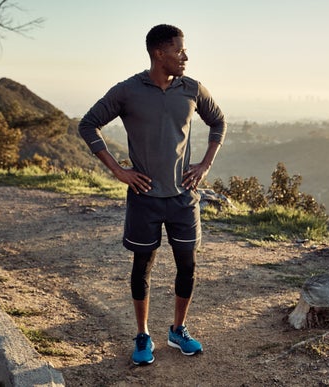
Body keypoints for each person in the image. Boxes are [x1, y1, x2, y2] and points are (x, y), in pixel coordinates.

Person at [78, 24, 226, 366]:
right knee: (142, 265)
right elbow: (88, 124)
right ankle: (143, 335)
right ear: (159, 54)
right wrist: (118, 171)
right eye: (179, 50)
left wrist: (205, 164)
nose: (185, 56)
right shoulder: (128, 90)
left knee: (187, 265)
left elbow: (218, 122)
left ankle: (178, 330)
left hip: (183, 198)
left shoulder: (192, 89)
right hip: (144, 197)